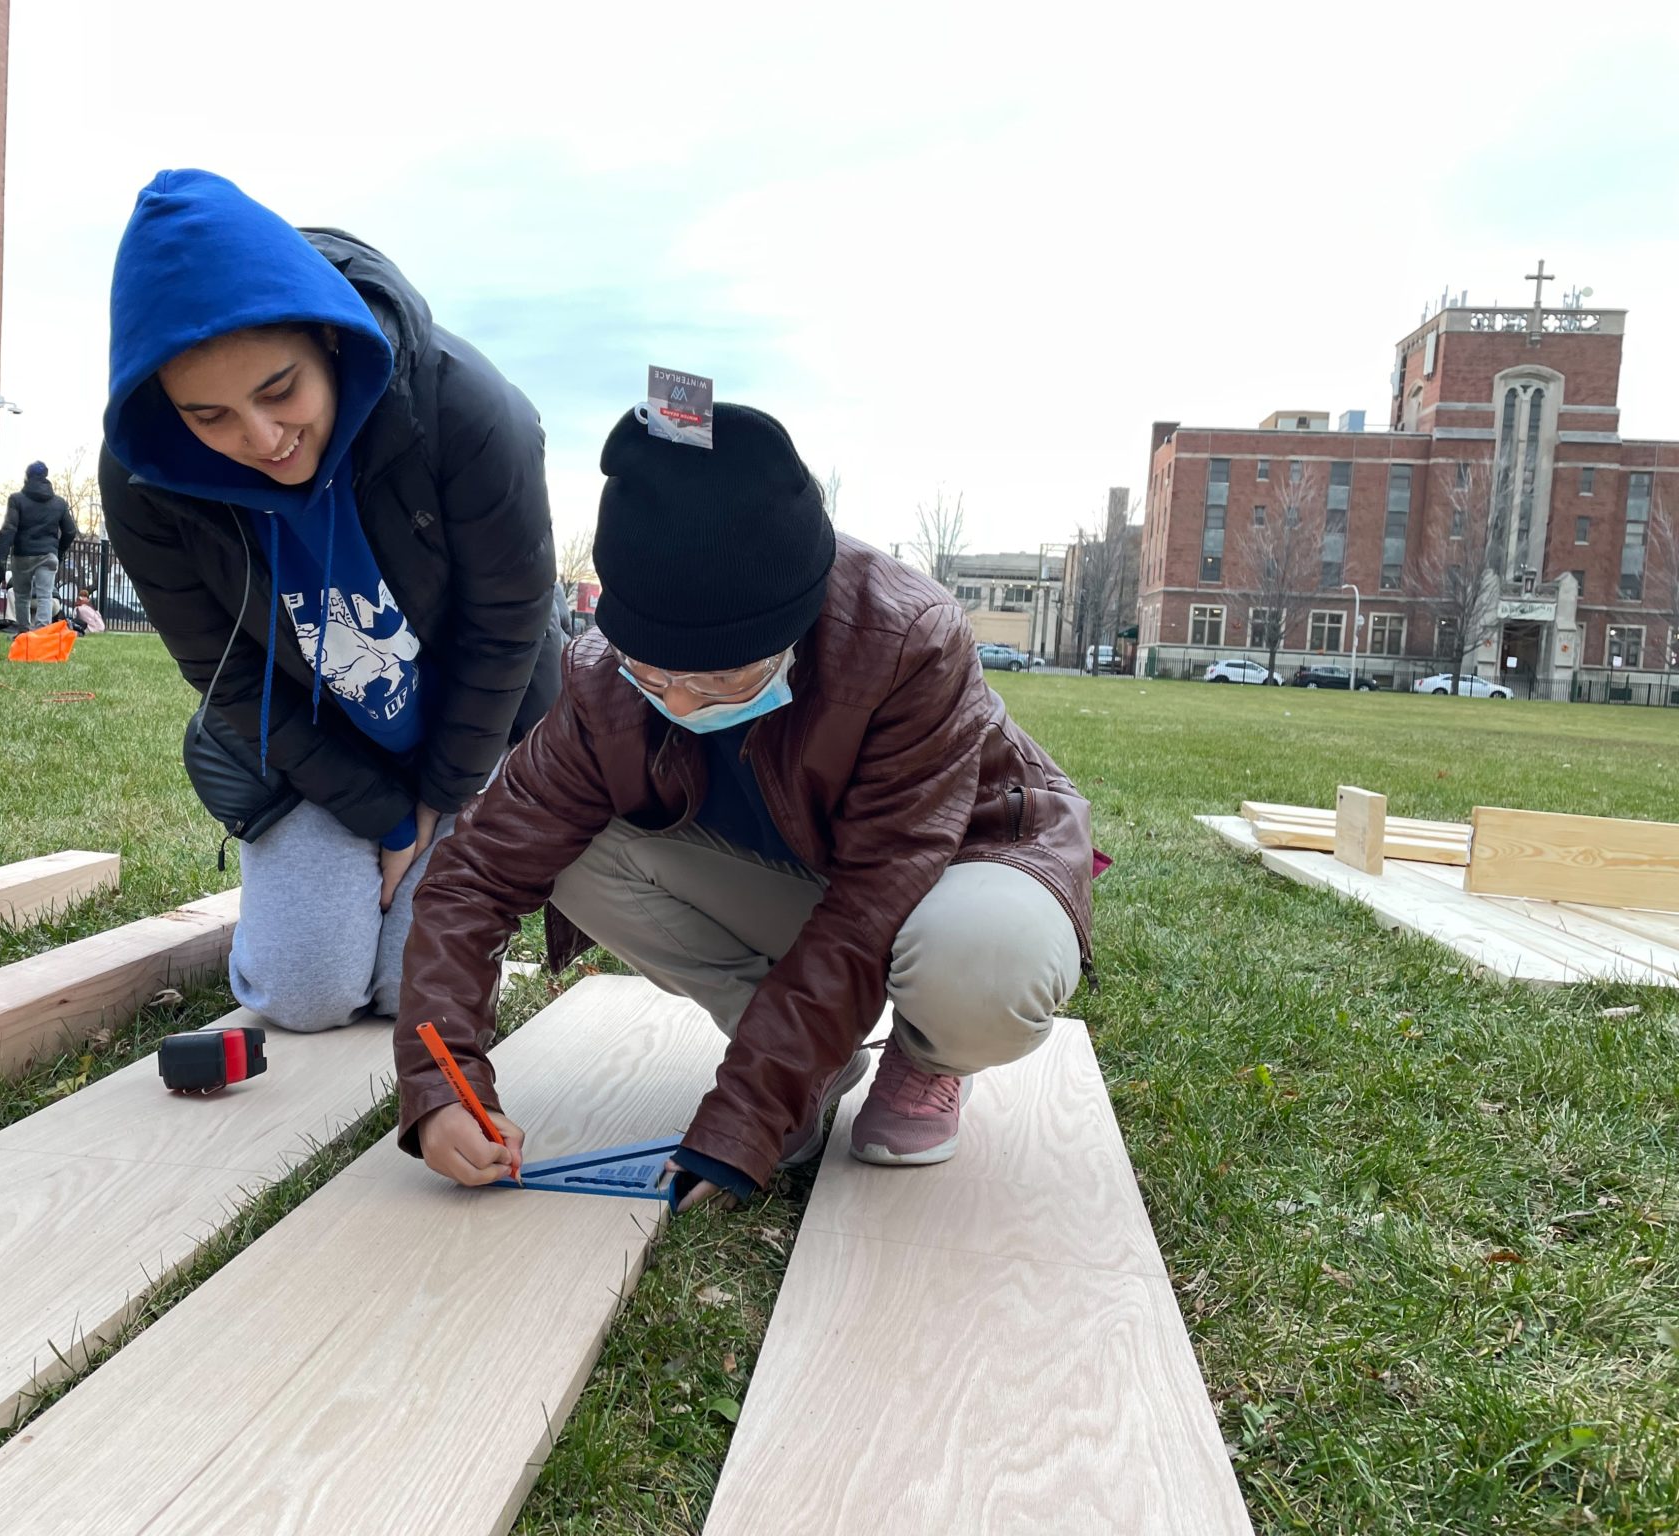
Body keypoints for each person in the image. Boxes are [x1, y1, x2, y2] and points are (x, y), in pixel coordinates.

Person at [395, 404, 1097, 1212]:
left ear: (794, 623)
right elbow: (478, 870)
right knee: (572, 851)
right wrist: (442, 1085)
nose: (684, 703)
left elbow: (871, 903)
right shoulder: (599, 679)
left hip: (958, 870)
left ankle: (928, 1056)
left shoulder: (906, 640)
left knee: (985, 961)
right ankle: (812, 1063)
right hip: (801, 877)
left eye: (722, 679)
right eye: (652, 675)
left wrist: (742, 1125)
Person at [101, 168, 559, 1034]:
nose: (263, 440)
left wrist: (436, 802)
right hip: (317, 753)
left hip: (472, 729)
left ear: (332, 341)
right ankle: (316, 913)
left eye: (280, 392)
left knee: (410, 996)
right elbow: (228, 677)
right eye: (210, 417)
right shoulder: (143, 483)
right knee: (303, 999)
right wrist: (383, 819)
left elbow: (507, 631)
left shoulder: (468, 410)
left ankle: (412, 887)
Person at [0, 461, 77, 629]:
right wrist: (58, 552)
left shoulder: (17, 500)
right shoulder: (59, 503)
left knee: (22, 596)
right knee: (45, 596)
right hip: (48, 554)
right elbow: (70, 531)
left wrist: (1, 563)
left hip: (22, 554)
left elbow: (9, 529)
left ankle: (23, 633)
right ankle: (41, 636)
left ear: (27, 477)